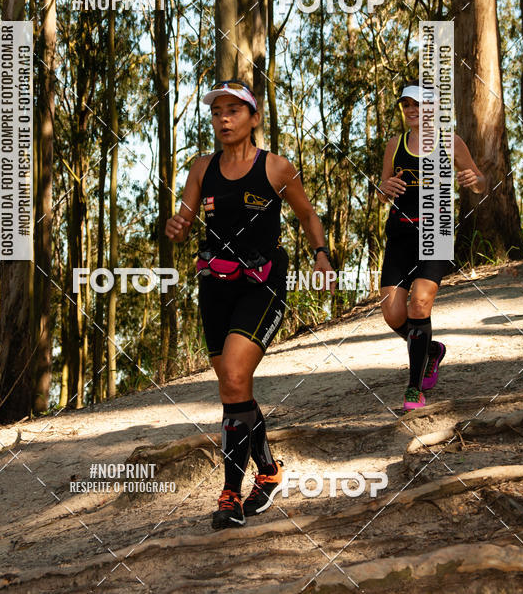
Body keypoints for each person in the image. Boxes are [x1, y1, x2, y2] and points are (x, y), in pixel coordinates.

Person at [165, 79, 335, 529]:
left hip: (263, 282)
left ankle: (230, 496)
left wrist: (321, 254)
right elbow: (184, 217)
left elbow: (307, 214)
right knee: (232, 385)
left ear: (254, 118)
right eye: (216, 112)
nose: (223, 119)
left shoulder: (276, 168)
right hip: (215, 285)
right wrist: (177, 226)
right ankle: (270, 471)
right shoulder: (202, 168)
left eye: (233, 111)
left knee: (236, 376)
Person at [377, 81, 485, 411]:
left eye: (418, 105)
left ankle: (414, 389)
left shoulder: (450, 142)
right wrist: (385, 188)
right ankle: (431, 350)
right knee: (392, 313)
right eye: (406, 105)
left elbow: (480, 181)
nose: (411, 110)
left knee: (420, 304)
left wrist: (474, 181)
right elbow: (381, 190)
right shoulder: (395, 145)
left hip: (435, 233)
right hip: (400, 234)